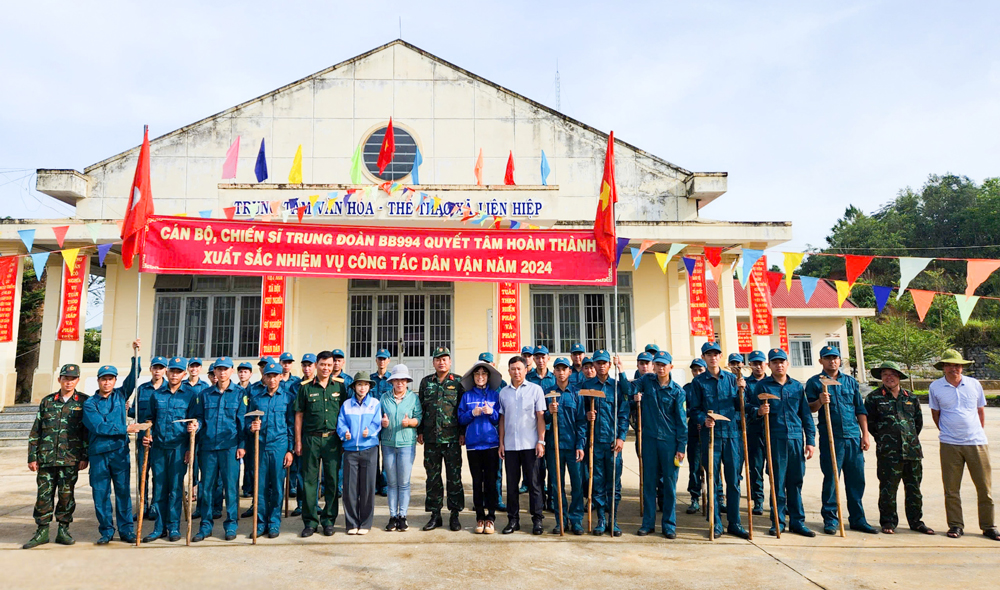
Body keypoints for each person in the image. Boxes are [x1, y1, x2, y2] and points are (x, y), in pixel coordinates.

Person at [805, 345, 878, 534]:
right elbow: (809, 409)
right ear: (821, 361)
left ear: (840, 360)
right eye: (828, 358)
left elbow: (859, 410)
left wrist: (865, 434)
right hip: (832, 438)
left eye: (835, 358)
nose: (832, 361)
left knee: (856, 480)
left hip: (853, 437)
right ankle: (830, 519)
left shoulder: (850, 382)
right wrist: (820, 401)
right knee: (831, 480)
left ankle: (857, 519)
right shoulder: (815, 382)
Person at [928, 349, 999, 540]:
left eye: (957, 365)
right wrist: (949, 431)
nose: (954, 368)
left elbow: (980, 411)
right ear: (943, 367)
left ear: (962, 367)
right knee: (951, 489)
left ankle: (988, 526)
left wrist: (975, 431)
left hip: (976, 442)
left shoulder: (974, 384)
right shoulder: (935, 387)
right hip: (950, 443)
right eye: (950, 365)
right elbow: (936, 415)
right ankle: (956, 525)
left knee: (984, 488)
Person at [746, 348, 816, 537]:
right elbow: (750, 409)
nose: (779, 365)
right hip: (774, 439)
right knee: (777, 482)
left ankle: (797, 521)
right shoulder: (763, 387)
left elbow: (806, 415)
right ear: (769, 365)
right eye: (775, 362)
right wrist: (759, 411)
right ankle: (778, 521)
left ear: (787, 363)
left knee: (796, 481)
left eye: (782, 361)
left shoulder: (796, 387)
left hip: (794, 439)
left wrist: (810, 441)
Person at [23, 364, 90, 549]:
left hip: (71, 458)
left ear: (77, 380)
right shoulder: (47, 401)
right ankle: (42, 531)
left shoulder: (84, 401)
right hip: (46, 458)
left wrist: (85, 456)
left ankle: (63, 530)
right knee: (43, 495)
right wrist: (32, 456)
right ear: (59, 379)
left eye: (73, 378)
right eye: (65, 378)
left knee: (66, 495)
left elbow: (86, 432)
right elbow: (36, 430)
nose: (69, 382)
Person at [82, 341, 142, 545]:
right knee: (101, 495)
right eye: (103, 379)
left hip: (119, 453)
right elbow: (98, 427)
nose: (107, 383)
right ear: (98, 381)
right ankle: (106, 530)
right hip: (99, 455)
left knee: (123, 493)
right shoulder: (89, 404)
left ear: (115, 380)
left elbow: (134, 377)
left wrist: (136, 354)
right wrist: (124, 428)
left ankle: (126, 530)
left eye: (110, 379)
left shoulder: (121, 395)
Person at [865, 360, 933, 535]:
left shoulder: (911, 397)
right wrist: (885, 439)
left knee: (914, 489)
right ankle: (888, 522)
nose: (889, 377)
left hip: (912, 451)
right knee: (888, 489)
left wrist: (907, 439)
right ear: (881, 377)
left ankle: (916, 521)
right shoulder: (873, 398)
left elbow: (917, 423)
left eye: (893, 374)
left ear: (899, 377)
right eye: (885, 374)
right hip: (888, 453)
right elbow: (870, 425)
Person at [690, 342, 750, 539]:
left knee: (734, 481)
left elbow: (742, 407)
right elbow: (694, 410)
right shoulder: (699, 382)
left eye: (716, 354)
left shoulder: (733, 379)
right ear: (704, 357)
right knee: (713, 480)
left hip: (732, 435)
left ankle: (735, 522)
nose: (713, 357)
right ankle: (716, 523)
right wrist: (703, 419)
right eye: (708, 354)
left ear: (721, 356)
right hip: (711, 437)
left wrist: (743, 390)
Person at [188, 357, 246, 542]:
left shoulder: (239, 394)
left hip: (230, 448)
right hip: (208, 448)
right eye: (218, 369)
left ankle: (230, 525)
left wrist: (242, 446)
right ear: (214, 372)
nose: (221, 373)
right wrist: (196, 426)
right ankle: (205, 526)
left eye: (225, 369)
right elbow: (199, 417)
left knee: (230, 489)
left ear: (231, 371)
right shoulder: (204, 395)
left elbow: (242, 422)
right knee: (207, 489)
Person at [631, 351, 686, 538]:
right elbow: (627, 388)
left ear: (671, 366)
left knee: (669, 486)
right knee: (648, 484)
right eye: (658, 364)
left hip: (669, 443)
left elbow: (681, 422)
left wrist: (681, 447)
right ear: (653, 366)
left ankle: (669, 525)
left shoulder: (678, 391)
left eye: (665, 365)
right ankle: (648, 523)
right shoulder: (647, 381)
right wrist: (621, 370)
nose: (661, 368)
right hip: (649, 441)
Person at [143, 356, 197, 543]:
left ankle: (173, 526)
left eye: (178, 371)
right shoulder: (156, 394)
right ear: (167, 372)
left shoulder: (190, 395)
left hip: (179, 448)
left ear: (184, 373)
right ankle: (159, 527)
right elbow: (150, 418)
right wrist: (148, 432)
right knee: (159, 488)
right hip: (159, 447)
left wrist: (191, 447)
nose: (174, 374)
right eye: (171, 371)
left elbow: (195, 421)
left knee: (175, 488)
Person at [294, 350, 347, 537]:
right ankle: (310, 521)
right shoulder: (306, 388)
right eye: (323, 364)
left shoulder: (340, 387)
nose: (326, 368)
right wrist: (298, 441)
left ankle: (328, 520)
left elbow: (345, 413)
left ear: (334, 366)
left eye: (329, 365)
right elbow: (299, 415)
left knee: (332, 481)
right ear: (316, 365)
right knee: (310, 481)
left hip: (333, 440)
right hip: (311, 439)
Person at [578, 350, 630, 536]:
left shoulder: (617, 388)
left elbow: (623, 415)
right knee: (597, 483)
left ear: (609, 365)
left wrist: (621, 437)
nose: (600, 366)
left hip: (612, 442)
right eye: (597, 363)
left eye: (604, 363)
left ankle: (613, 519)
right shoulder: (586, 387)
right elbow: (579, 414)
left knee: (614, 483)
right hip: (594, 443)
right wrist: (587, 415)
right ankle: (600, 519)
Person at [417, 346, 465, 532]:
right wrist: (419, 431)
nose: (441, 362)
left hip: (452, 439)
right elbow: (421, 408)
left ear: (450, 362)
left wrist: (462, 433)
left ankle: (455, 515)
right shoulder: (425, 382)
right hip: (431, 439)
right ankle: (435, 514)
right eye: (438, 359)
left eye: (445, 359)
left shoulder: (458, 382)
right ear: (433, 362)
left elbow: (462, 410)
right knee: (433, 479)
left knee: (454, 478)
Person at [499, 355, 547, 535]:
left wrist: (541, 441)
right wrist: (501, 443)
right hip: (510, 446)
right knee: (512, 485)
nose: (516, 372)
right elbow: (502, 419)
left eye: (520, 368)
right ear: (509, 371)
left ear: (526, 370)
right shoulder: (504, 393)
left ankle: (537, 520)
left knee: (535, 484)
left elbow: (540, 417)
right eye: (513, 369)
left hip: (531, 445)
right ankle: (513, 520)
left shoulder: (535, 390)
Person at [459, 361, 502, 534]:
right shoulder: (467, 397)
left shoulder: (494, 396)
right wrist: (472, 413)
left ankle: (490, 518)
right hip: (474, 447)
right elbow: (461, 419)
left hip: (492, 445)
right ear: (473, 377)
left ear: (488, 377)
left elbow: (499, 419)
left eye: (484, 374)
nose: (481, 377)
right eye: (477, 374)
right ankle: (479, 517)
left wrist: (492, 413)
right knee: (477, 483)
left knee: (491, 483)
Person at [337, 372, 382, 535]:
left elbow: (377, 423)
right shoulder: (347, 405)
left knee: (368, 488)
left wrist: (369, 431)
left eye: (365, 385)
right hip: (350, 451)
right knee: (350, 489)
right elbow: (340, 422)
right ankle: (351, 523)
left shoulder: (375, 403)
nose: (362, 388)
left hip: (369, 449)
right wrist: (344, 433)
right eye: (359, 384)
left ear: (369, 387)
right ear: (354, 387)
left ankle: (365, 524)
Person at [544, 358, 586, 535]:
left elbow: (582, 422)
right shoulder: (547, 393)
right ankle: (561, 519)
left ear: (570, 372)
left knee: (577, 485)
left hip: (572, 446)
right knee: (556, 485)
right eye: (558, 369)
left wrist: (580, 445)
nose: (561, 372)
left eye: (564, 369)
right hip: (554, 447)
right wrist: (549, 413)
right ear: (553, 372)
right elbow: (540, 420)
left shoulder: (576, 393)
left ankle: (576, 520)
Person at [380, 364, 422, 532]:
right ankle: (392, 516)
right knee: (391, 482)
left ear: (407, 382)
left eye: (403, 380)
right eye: (396, 380)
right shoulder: (384, 398)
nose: (400, 383)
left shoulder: (413, 398)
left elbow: (419, 418)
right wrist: (382, 423)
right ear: (392, 382)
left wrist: (410, 422)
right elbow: (377, 418)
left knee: (403, 482)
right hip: (388, 444)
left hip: (406, 444)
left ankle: (402, 516)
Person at [129, 355, 167, 523]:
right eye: (155, 367)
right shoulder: (143, 389)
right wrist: (128, 409)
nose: (157, 371)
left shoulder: (169, 389)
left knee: (158, 476)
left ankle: (155, 507)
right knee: (142, 475)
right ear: (151, 369)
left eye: (161, 368)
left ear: (165, 370)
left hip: (160, 440)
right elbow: (134, 412)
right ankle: (142, 507)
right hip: (143, 440)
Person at [286, 353, 316, 517]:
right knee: (300, 472)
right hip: (300, 432)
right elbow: (293, 413)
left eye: (310, 365)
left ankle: (314, 504)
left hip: (315, 433)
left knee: (314, 471)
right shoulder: (295, 386)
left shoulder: (320, 384)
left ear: (315, 366)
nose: (307, 368)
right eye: (304, 365)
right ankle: (301, 504)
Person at [479, 351, 508, 512]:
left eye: (488, 363)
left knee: (496, 469)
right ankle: (483, 498)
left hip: (497, 433)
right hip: (479, 434)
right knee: (481, 470)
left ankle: (496, 498)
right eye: (482, 363)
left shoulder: (501, 385)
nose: (485, 367)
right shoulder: (474, 383)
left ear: (493, 366)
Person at [528, 346, 556, 510]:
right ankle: (539, 500)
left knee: (552, 466)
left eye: (543, 357)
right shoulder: (529, 378)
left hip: (551, 429)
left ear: (548, 358)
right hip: (534, 428)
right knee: (537, 468)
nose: (540, 360)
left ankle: (552, 499)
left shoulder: (554, 378)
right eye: (537, 357)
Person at [744, 350, 768, 516]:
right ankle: (758, 500)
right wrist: (757, 411)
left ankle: (779, 500)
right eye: (755, 363)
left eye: (761, 363)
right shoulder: (745, 384)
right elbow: (744, 405)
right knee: (756, 467)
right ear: (750, 365)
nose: (758, 366)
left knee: (776, 468)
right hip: (754, 429)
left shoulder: (772, 382)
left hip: (773, 430)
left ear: (765, 364)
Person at [684, 358, 707, 515]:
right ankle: (695, 497)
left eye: (700, 370)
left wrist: (704, 420)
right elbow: (683, 409)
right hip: (693, 430)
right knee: (694, 466)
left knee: (712, 467)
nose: (697, 373)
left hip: (710, 430)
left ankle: (716, 498)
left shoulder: (710, 386)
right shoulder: (687, 388)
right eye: (695, 370)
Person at [371, 349, 392, 497]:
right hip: (372, 421)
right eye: (380, 359)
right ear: (376, 361)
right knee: (373, 454)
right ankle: (374, 484)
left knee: (386, 453)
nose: (382, 362)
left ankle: (384, 484)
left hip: (386, 421)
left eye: (384, 359)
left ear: (389, 361)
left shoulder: (392, 379)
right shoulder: (371, 379)